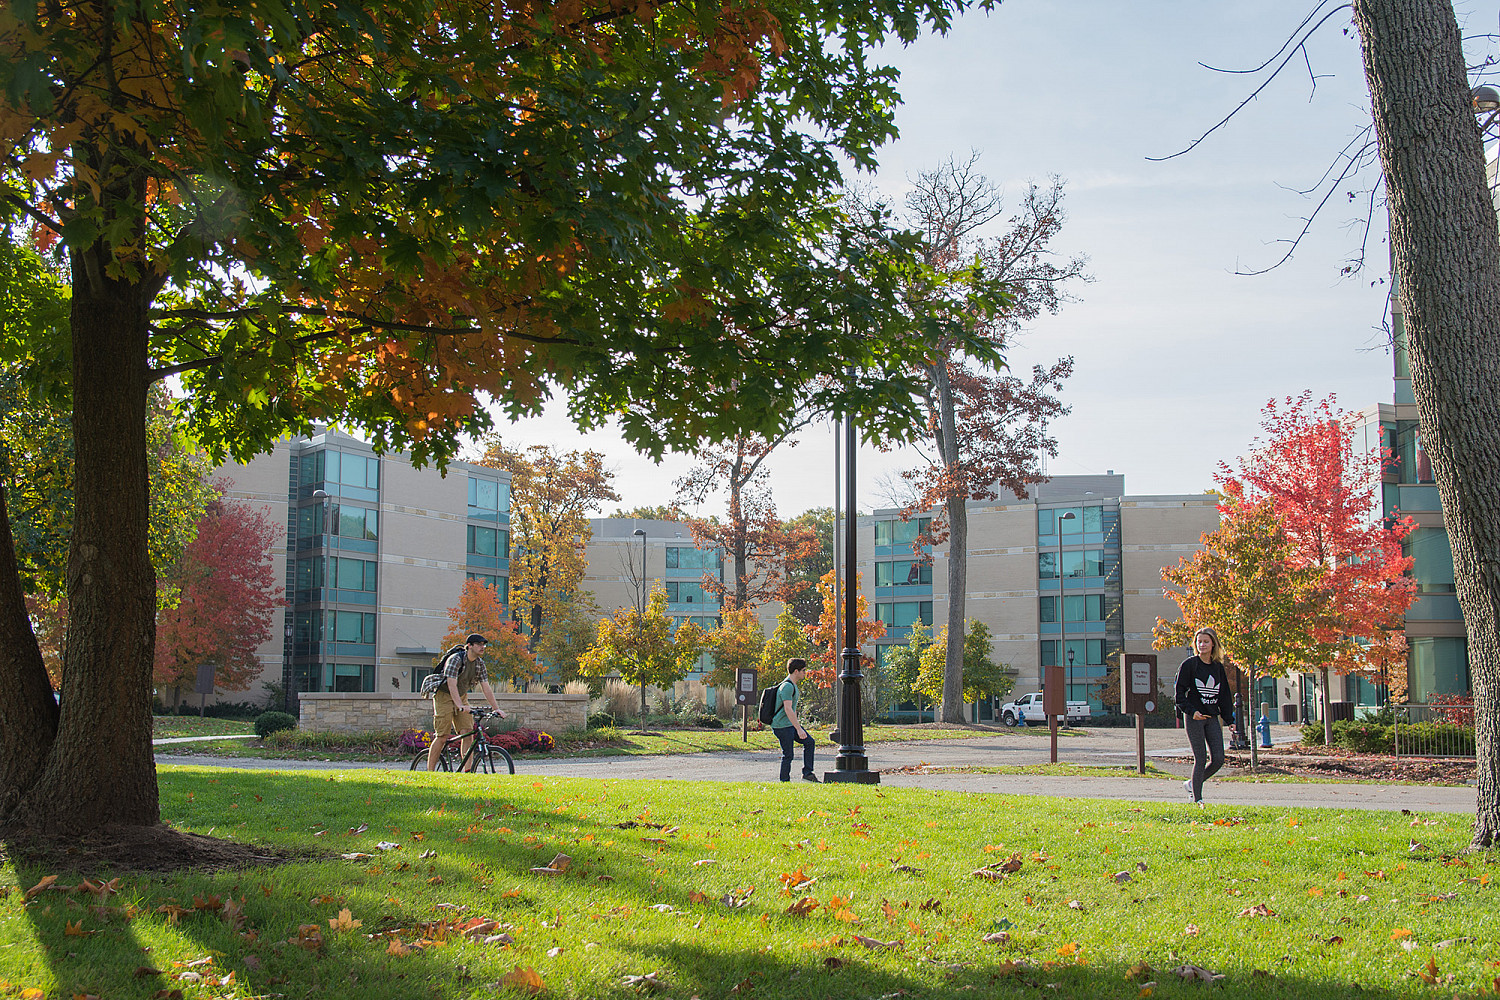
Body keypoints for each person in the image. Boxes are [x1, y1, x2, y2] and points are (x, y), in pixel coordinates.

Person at [426, 633, 506, 772]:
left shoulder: (479, 663)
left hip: (461, 697)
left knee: (468, 732)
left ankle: (467, 772)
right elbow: (451, 684)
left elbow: (485, 686)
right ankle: (430, 772)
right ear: (469, 646)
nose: (483, 647)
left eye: (484, 645)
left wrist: (496, 708)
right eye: (479, 644)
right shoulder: (456, 660)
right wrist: (459, 706)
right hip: (444, 696)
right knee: (442, 736)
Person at [1174, 627, 1235, 806]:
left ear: (1213, 644)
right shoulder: (1189, 665)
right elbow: (1179, 694)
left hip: (1212, 718)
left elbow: (1224, 695)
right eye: (1199, 642)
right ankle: (1197, 799)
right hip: (1194, 719)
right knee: (1200, 758)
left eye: (1206, 641)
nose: (1202, 645)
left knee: (1218, 759)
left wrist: (1230, 720)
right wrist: (1192, 712)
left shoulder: (1217, 668)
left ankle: (1193, 784)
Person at [771, 658, 818, 783]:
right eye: (803, 670)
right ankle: (784, 781)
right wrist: (798, 729)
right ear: (796, 671)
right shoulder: (787, 686)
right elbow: (787, 709)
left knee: (809, 742)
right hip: (782, 726)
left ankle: (808, 774)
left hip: (789, 724)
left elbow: (792, 709)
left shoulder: (793, 685)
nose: (805, 673)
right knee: (788, 754)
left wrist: (798, 726)